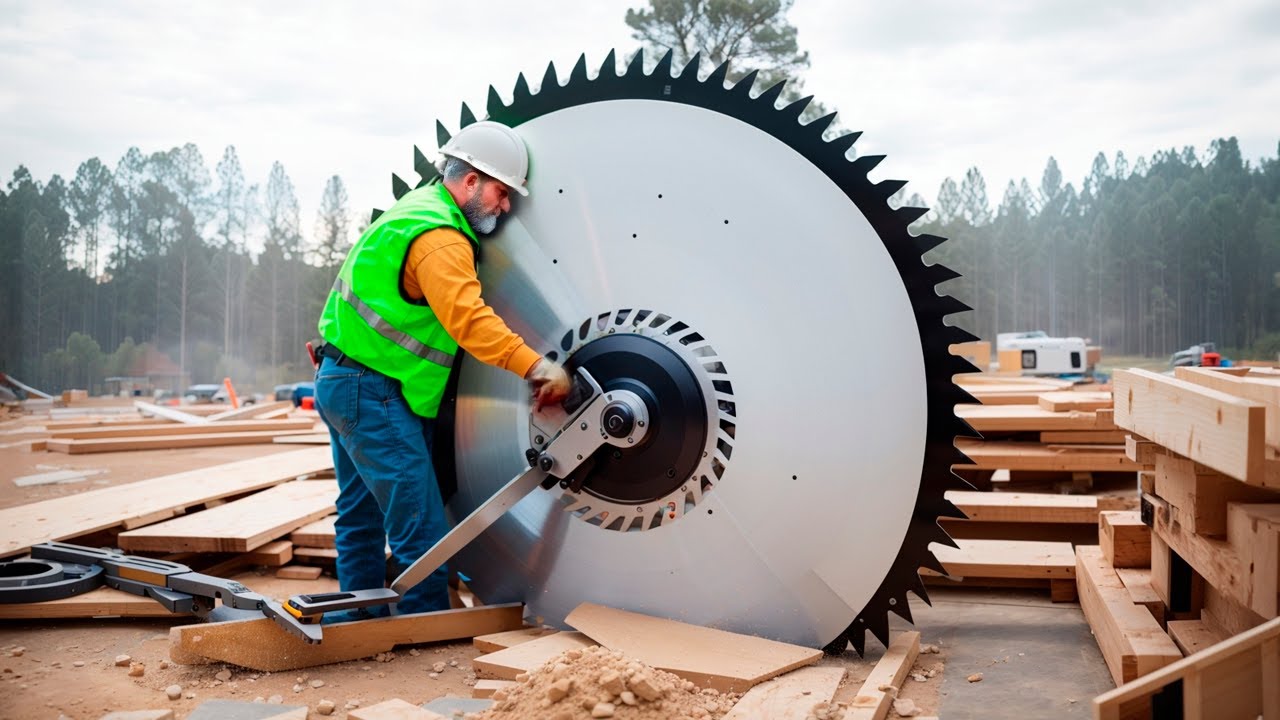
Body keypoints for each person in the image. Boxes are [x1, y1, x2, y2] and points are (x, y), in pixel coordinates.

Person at [313, 121, 571, 620]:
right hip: (374, 392)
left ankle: (356, 622)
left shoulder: (413, 212)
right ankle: (426, 630)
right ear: (470, 181)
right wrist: (538, 367)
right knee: (420, 522)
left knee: (360, 515)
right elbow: (470, 321)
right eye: (501, 191)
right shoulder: (442, 238)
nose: (505, 205)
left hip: (345, 379)